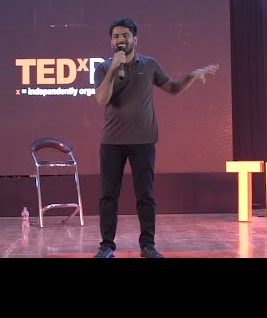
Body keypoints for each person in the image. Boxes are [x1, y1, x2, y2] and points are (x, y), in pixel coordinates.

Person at [93, 17, 219, 258]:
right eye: (116, 36)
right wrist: (113, 69)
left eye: (125, 35)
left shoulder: (149, 64)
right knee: (108, 196)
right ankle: (106, 246)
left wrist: (191, 76)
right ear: (111, 42)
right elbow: (102, 99)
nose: (120, 40)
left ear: (135, 39)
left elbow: (172, 88)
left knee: (146, 196)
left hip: (143, 141)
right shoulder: (103, 68)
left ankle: (148, 246)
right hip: (112, 143)